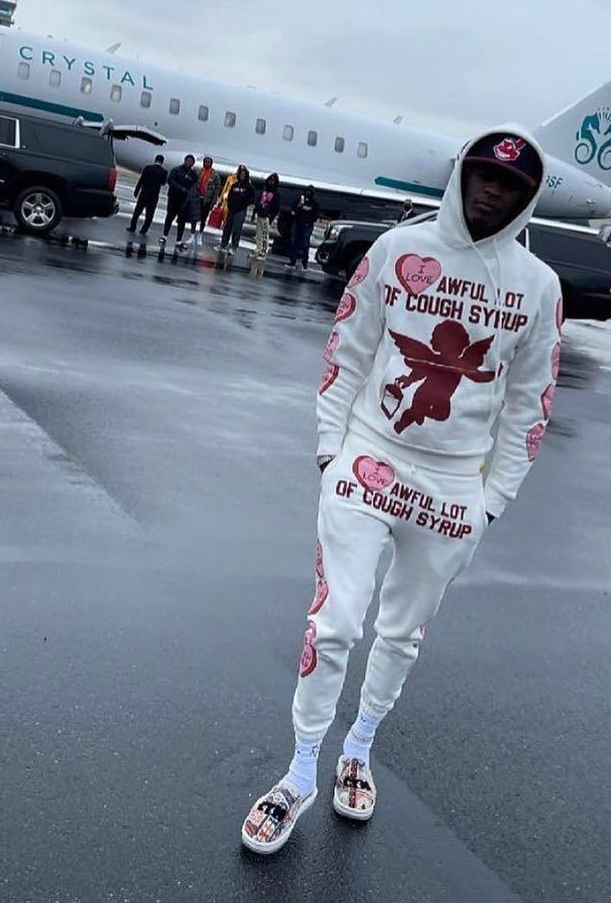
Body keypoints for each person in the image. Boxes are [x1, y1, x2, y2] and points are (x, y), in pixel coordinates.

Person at [240, 129, 563, 855]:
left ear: (526, 199)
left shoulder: (539, 287)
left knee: (401, 632)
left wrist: (492, 500)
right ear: (461, 176)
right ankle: (299, 771)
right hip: (369, 458)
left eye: (510, 186)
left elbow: (530, 403)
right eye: (482, 175)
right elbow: (348, 347)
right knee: (334, 623)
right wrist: (331, 449)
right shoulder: (397, 250)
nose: (492, 191)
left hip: (452, 484)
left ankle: (359, 745)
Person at [160, 154, 199, 249]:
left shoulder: (193, 174)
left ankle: (179, 240)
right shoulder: (177, 170)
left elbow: (195, 185)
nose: (189, 162)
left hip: (184, 200)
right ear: (185, 161)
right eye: (188, 160)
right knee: (170, 217)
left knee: (182, 221)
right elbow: (170, 180)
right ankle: (164, 236)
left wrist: (191, 193)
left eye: (191, 161)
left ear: (193, 163)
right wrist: (180, 188)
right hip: (174, 197)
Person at [128, 154, 167, 235]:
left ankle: (133, 227)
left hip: (144, 193)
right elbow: (163, 183)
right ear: (162, 162)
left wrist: (136, 191)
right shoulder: (164, 172)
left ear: (155, 160)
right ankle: (144, 230)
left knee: (137, 212)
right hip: (154, 195)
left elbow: (141, 180)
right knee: (149, 215)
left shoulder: (148, 168)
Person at [220, 165, 256, 252]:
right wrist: (230, 205)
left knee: (237, 229)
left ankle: (234, 247)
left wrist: (243, 205)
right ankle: (223, 245)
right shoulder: (235, 185)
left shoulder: (249, 187)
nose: (242, 176)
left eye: (244, 174)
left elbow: (252, 199)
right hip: (231, 209)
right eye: (241, 174)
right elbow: (230, 195)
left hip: (240, 210)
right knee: (227, 228)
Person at [287, 186, 320, 271]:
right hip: (298, 224)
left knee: (305, 244)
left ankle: (304, 264)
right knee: (294, 243)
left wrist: (308, 222)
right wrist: (295, 211)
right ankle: (292, 262)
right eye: (307, 191)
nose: (308, 193)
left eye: (310, 192)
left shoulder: (314, 204)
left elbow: (315, 216)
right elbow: (293, 208)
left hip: (307, 227)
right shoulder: (300, 200)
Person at [252, 172, 282, 259]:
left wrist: (271, 216)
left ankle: (263, 251)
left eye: (273, 181)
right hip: (260, 213)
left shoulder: (276, 194)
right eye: (270, 180)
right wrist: (255, 212)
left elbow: (276, 207)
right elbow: (258, 201)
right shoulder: (264, 190)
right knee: (258, 233)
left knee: (265, 234)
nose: (271, 182)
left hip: (267, 216)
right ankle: (258, 248)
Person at [195, 156, 223, 246]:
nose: (207, 163)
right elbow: (194, 183)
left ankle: (200, 234)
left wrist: (213, 201)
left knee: (203, 218)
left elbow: (218, 187)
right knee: (194, 217)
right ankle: (192, 234)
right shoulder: (199, 172)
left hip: (207, 200)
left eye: (208, 162)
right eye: (205, 161)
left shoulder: (214, 174)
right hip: (198, 198)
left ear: (211, 163)